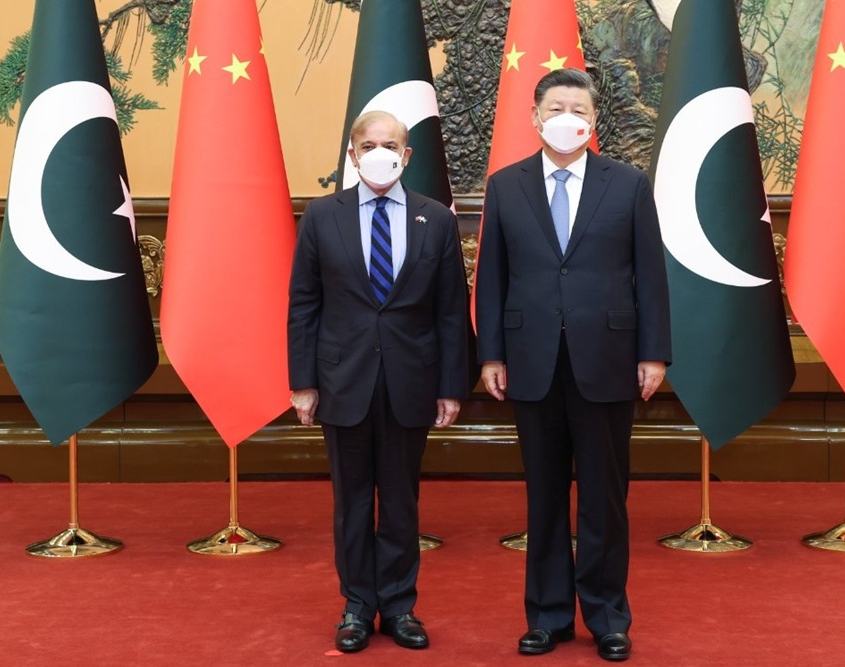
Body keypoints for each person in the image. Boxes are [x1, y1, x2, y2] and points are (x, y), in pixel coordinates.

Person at [474, 68, 672, 662]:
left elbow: (651, 276)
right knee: (544, 497)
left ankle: (608, 616)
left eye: (577, 108)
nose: (567, 117)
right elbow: (493, 276)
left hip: (609, 360)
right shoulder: (505, 186)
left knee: (605, 498)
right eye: (555, 107)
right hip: (531, 360)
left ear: (593, 120)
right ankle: (548, 616)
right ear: (535, 118)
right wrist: (491, 354)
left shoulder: (629, 184)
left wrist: (653, 351)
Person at [287, 110, 468, 653]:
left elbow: (452, 311)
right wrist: (303, 383)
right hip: (343, 382)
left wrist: (451, 385)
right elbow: (304, 305)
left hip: (412, 381)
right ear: (352, 153)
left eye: (390, 144)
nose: (379, 152)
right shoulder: (322, 217)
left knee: (401, 501)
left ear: (407, 155)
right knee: (352, 502)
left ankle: (400, 606)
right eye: (369, 144)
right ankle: (357, 607)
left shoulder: (435, 219)